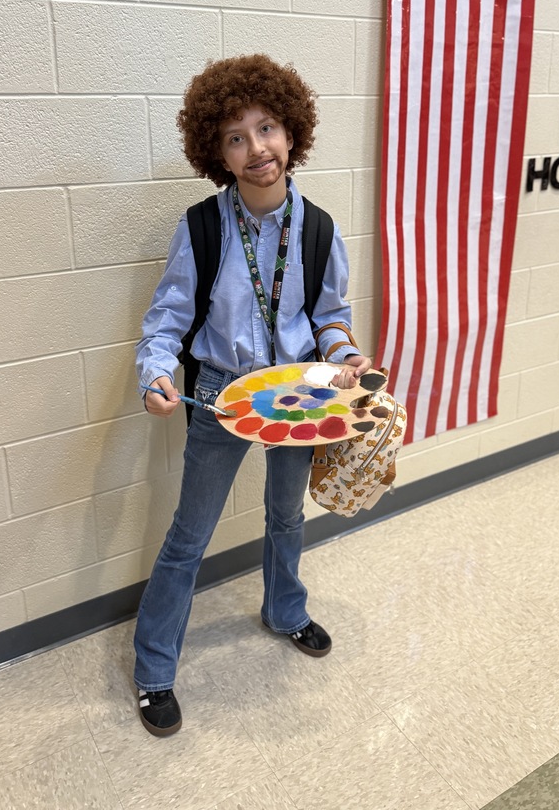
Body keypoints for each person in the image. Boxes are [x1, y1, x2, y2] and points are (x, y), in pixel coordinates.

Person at [133, 53, 372, 737]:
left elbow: (328, 318)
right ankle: (154, 669)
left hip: (300, 392)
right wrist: (155, 375)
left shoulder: (320, 228)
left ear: (291, 132)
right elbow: (166, 323)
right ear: (218, 152)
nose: (256, 149)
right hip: (220, 397)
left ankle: (285, 611)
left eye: (266, 128)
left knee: (287, 518)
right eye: (235, 137)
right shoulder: (203, 228)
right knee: (189, 536)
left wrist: (346, 356)